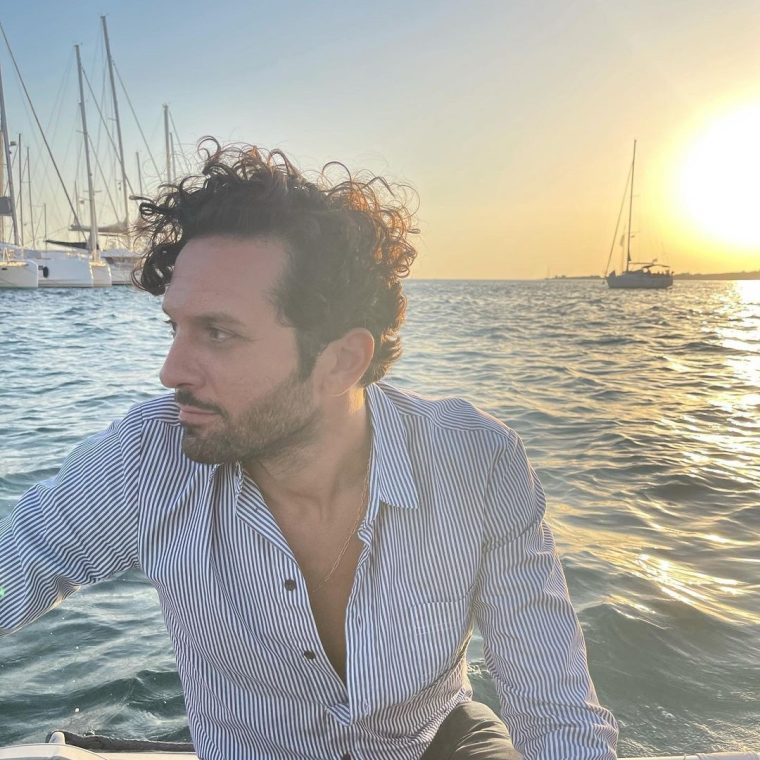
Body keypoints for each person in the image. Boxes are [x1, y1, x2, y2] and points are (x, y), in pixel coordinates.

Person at [0, 141, 618, 760]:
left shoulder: (474, 462)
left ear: (342, 361)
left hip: (435, 743)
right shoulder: (150, 457)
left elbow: (554, 709)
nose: (171, 371)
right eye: (175, 327)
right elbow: (23, 557)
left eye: (218, 333)